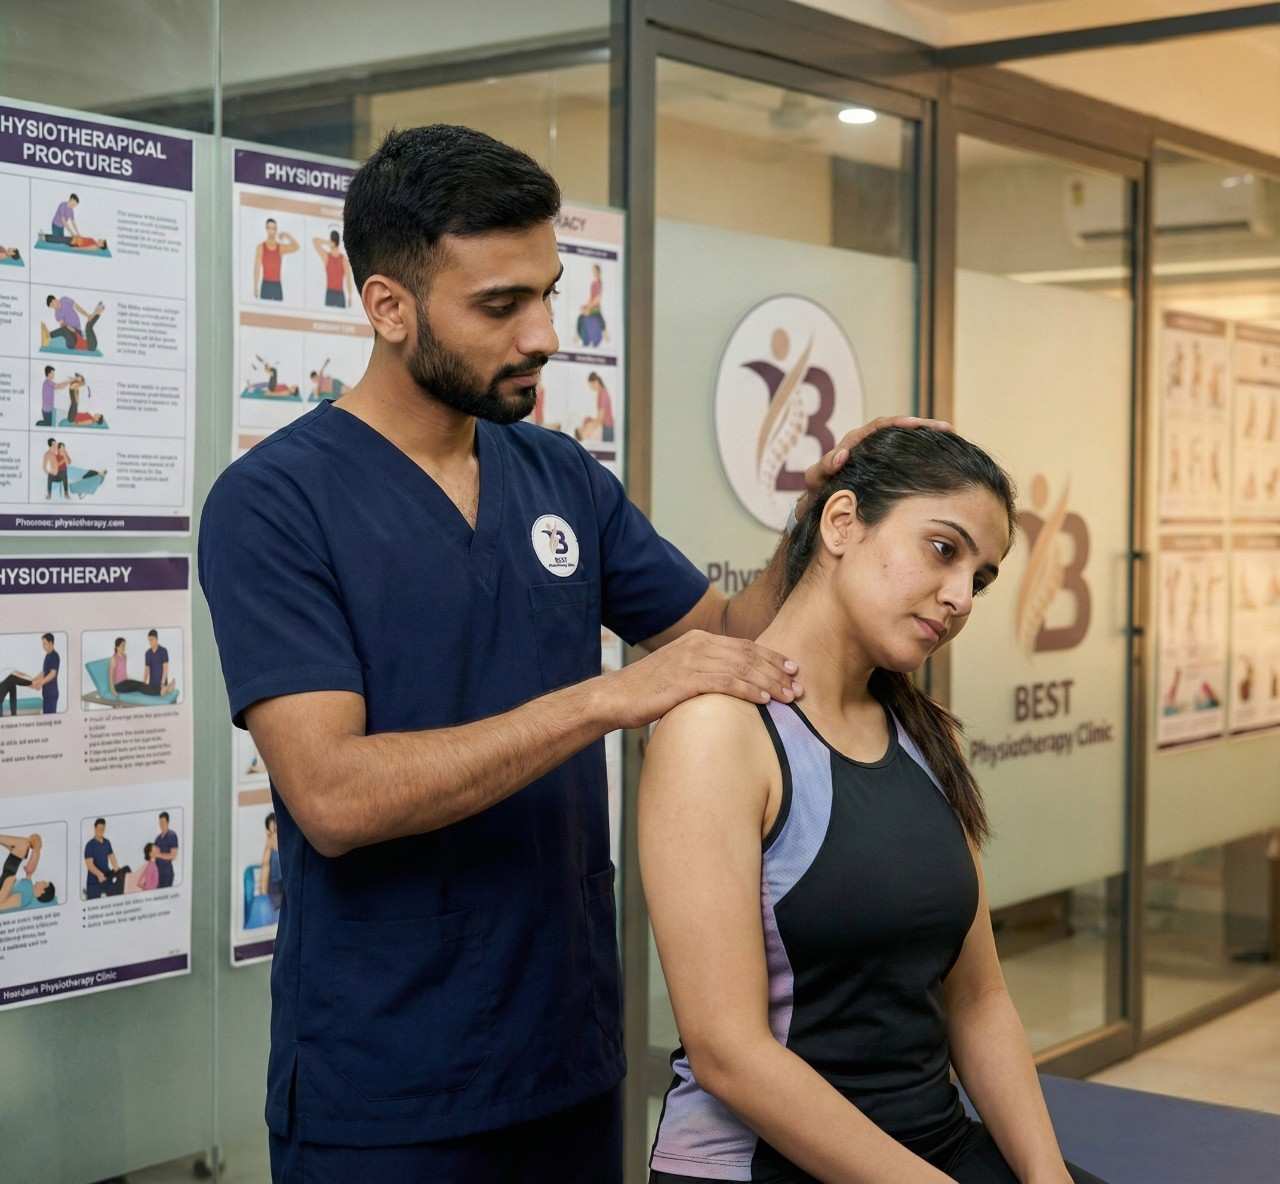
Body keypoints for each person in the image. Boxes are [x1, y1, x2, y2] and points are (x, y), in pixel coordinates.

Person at [198, 122, 939, 1183]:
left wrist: (822, 507)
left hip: (567, 1056)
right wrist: (605, 698)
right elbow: (334, 795)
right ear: (389, 307)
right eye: (500, 305)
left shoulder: (557, 475)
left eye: (548, 291)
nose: (544, 332)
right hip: (386, 1084)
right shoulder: (275, 504)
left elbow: (729, 643)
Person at [641, 428, 1107, 1184]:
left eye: (980, 579)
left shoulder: (924, 735)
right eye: (943, 549)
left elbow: (979, 999)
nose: (960, 597)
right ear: (841, 524)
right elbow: (729, 1054)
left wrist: (1046, 1177)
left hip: (934, 1143)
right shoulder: (717, 732)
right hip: (769, 1164)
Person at [2, 633, 63, 715]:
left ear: (51, 643)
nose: (43, 646)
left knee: (50, 718)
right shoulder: (47, 656)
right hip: (46, 692)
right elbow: (44, 672)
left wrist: (39, 683)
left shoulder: (54, 656)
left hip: (52, 693)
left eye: (44, 644)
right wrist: (33, 680)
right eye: (42, 644)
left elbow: (52, 674)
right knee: (46, 717)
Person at [254, 218, 299, 301]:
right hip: (265, 285)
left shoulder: (280, 248)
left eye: (273, 228)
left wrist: (287, 235)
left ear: (276, 230)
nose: (271, 231)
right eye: (269, 228)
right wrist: (255, 287)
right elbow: (257, 268)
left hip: (277, 286)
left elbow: (296, 247)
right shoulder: (260, 247)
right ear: (266, 229)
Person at [314, 230, 354, 308]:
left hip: (337, 294)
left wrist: (350, 296)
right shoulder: (328, 256)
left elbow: (348, 279)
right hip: (332, 293)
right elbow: (315, 241)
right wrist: (350, 296)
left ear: (331, 240)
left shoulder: (341, 259)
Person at [84, 818, 120, 900]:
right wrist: (99, 875)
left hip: (107, 876)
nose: (101, 830)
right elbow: (89, 865)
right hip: (94, 881)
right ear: (95, 828)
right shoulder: (89, 845)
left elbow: (112, 858)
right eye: (99, 828)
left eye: (103, 829)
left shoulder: (107, 842)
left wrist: (117, 869)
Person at [575, 370, 615, 443]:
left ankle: (583, 436)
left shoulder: (603, 394)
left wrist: (588, 426)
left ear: (596, 382)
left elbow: (600, 419)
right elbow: (600, 418)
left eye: (591, 385)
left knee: (588, 424)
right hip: (606, 427)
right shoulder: (601, 393)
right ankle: (583, 435)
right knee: (587, 421)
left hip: (607, 429)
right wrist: (590, 421)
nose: (591, 388)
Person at [259, 812, 283, 913]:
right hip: (274, 887)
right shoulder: (270, 845)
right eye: (273, 831)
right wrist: (263, 890)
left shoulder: (286, 843)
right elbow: (265, 867)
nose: (276, 835)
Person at [143, 630, 174, 697]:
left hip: (162, 683)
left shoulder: (163, 651)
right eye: (149, 640)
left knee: (161, 691)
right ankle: (168, 688)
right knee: (152, 691)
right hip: (152, 684)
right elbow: (146, 670)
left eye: (152, 640)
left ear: (157, 639)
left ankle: (166, 687)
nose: (150, 642)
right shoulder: (147, 653)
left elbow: (165, 669)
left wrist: (162, 684)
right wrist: (144, 683)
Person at [153, 811, 179, 889]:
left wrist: (159, 855)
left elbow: (173, 856)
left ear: (168, 822)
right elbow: (154, 855)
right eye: (160, 822)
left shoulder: (172, 835)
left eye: (163, 822)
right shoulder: (157, 838)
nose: (161, 824)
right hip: (158, 873)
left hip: (167, 874)